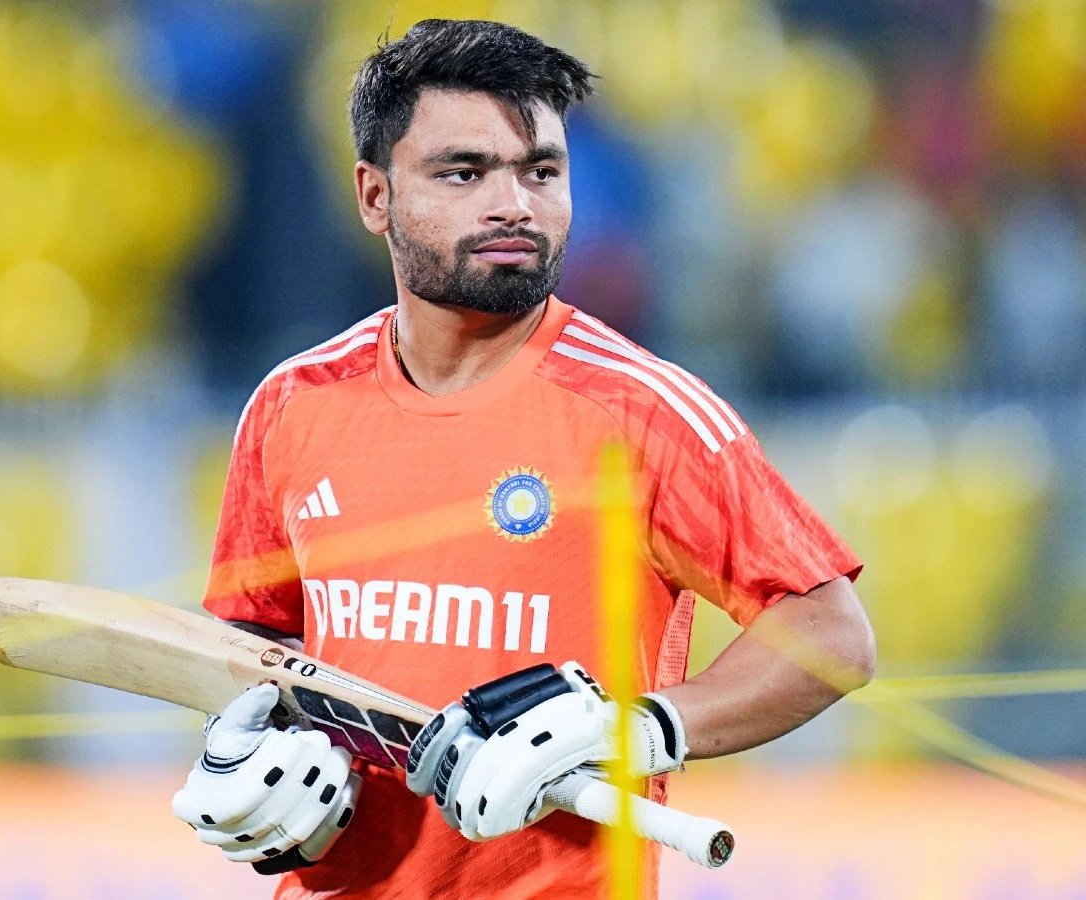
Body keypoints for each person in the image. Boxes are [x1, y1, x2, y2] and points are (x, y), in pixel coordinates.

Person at [171, 18, 876, 900]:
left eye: (540, 171)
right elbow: (254, 643)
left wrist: (636, 732)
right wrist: (239, 753)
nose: (514, 204)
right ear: (375, 196)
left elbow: (831, 635)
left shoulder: (643, 412)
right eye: (464, 172)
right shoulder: (292, 404)